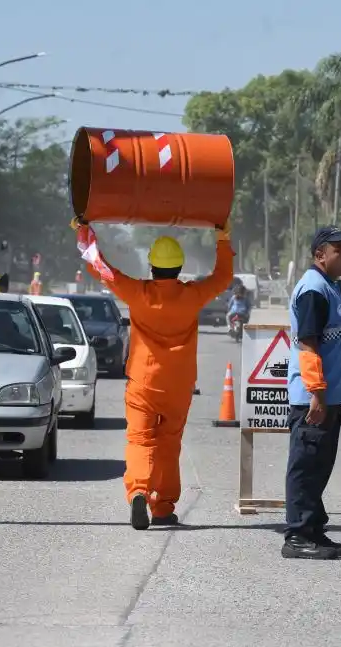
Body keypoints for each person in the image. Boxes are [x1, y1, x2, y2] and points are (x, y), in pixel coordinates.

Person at [72, 217, 234, 530]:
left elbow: (101, 269)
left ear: (152, 265)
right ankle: (162, 508)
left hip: (143, 383)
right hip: (179, 385)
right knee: (169, 443)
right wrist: (223, 239)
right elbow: (224, 276)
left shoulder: (137, 293)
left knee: (140, 439)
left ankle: (138, 491)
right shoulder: (192, 296)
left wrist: (84, 233)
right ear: (179, 266)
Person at [282, 226, 341, 560]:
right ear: (320, 255)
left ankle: (314, 529)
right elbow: (309, 345)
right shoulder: (314, 289)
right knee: (306, 465)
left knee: (320, 466)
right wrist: (316, 393)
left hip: (330, 397)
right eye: (339, 250)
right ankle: (298, 535)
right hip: (314, 400)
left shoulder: (331, 286)